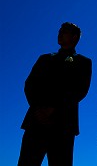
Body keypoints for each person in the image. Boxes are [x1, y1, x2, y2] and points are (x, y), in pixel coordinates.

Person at [18, 22, 92, 166]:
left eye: (64, 31)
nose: (59, 34)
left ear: (75, 37)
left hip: (64, 124)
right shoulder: (44, 58)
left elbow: (80, 90)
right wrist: (39, 109)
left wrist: (54, 109)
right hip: (36, 122)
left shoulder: (83, 62)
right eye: (59, 31)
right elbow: (30, 85)